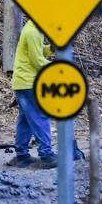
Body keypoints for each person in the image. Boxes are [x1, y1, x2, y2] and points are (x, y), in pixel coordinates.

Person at [11, 17, 84, 167]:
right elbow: (37, 60)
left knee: (25, 120)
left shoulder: (34, 29)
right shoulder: (33, 32)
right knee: (40, 116)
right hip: (28, 81)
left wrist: (50, 48)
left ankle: (21, 155)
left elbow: (37, 51)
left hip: (22, 82)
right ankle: (46, 154)